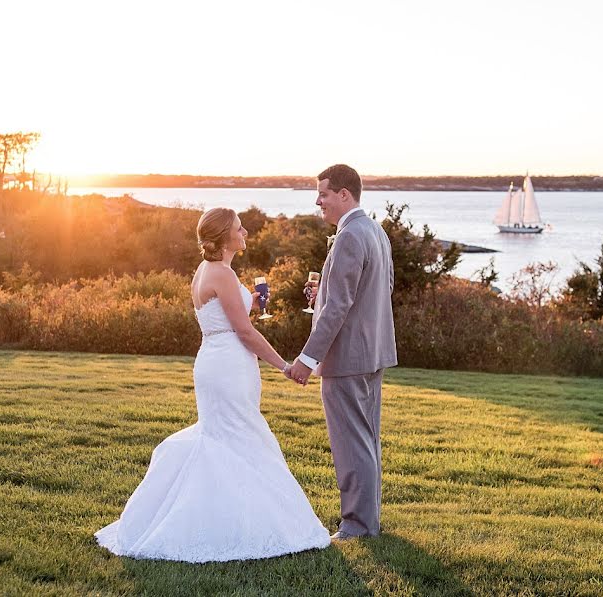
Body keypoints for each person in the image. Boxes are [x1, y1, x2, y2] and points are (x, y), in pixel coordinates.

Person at [95, 207, 330, 562]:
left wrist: (250, 299)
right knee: (239, 436)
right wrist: (284, 365)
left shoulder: (210, 270)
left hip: (217, 360)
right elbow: (245, 331)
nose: (246, 232)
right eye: (240, 228)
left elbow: (228, 316)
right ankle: (237, 526)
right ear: (224, 237)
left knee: (226, 437)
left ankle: (229, 518)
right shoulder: (219, 272)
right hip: (228, 366)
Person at [287, 164, 397, 540]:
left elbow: (339, 307)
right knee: (366, 438)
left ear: (344, 195)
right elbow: (381, 288)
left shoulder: (350, 235)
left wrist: (306, 359)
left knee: (351, 443)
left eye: (324, 194)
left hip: (347, 358)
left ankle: (357, 524)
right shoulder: (376, 231)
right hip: (373, 354)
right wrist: (325, 296)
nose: (318, 201)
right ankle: (369, 520)